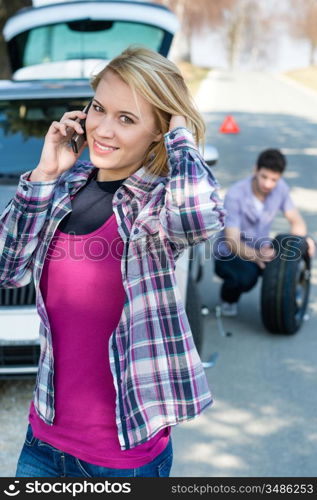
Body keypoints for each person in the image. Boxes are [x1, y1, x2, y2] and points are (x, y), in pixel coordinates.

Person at [0, 47, 225, 477]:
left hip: (122, 459)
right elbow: (7, 268)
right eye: (99, 109)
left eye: (127, 118)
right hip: (43, 443)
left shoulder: (157, 205)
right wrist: (45, 175)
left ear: (157, 131)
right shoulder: (63, 190)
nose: (102, 128)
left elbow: (199, 217)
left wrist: (179, 132)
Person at [213, 148, 315, 317]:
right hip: (230, 252)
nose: (268, 184)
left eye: (274, 179)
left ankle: (283, 306)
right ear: (256, 170)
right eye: (264, 177)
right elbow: (232, 241)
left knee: (303, 248)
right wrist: (256, 256)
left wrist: (303, 241)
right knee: (246, 276)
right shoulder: (235, 194)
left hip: (261, 247)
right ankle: (228, 299)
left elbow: (297, 222)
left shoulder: (280, 189)